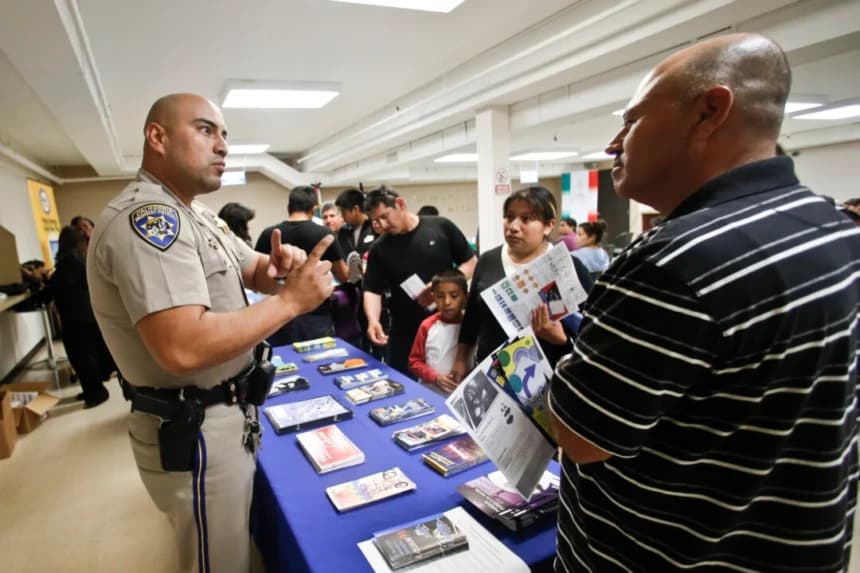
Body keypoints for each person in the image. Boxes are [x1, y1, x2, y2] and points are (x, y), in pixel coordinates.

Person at [547, 34, 859, 572]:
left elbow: (579, 437)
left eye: (633, 120)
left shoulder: (673, 260)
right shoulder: (832, 226)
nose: (614, 143)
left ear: (709, 112)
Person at [87, 93, 334, 573]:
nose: (222, 146)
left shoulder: (195, 213)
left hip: (226, 413)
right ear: (156, 137)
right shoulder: (150, 222)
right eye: (205, 130)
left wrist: (280, 270)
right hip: (195, 423)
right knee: (216, 562)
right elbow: (183, 347)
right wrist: (290, 302)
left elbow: (254, 268)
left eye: (225, 135)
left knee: (234, 546)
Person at [450, 187, 594, 389]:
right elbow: (472, 317)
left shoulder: (570, 268)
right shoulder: (488, 260)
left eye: (526, 219)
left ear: (548, 226)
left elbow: (591, 334)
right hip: (490, 373)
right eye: (509, 217)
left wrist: (561, 340)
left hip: (545, 381)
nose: (513, 227)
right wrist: (460, 359)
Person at [363, 186, 476, 374]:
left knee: (447, 380)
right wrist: (373, 320)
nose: (382, 225)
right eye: (376, 221)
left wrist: (442, 286)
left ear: (400, 204)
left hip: (448, 326)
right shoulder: (379, 249)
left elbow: (471, 262)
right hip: (405, 331)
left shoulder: (440, 227)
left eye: (385, 216)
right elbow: (372, 290)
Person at [255, 186, 350, 346]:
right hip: (316, 314)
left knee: (282, 363)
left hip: (278, 313)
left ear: (288, 208)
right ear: (314, 210)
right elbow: (343, 276)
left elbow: (259, 279)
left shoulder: (269, 234)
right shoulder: (324, 235)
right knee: (317, 363)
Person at [50, 226, 114, 407]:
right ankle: (92, 390)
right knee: (88, 354)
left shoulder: (68, 262)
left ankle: (95, 392)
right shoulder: (79, 259)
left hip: (76, 318)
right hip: (85, 315)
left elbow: (59, 287)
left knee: (81, 357)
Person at [407, 269, 469, 394]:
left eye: (454, 296)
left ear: (465, 297)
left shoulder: (472, 326)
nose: (447, 302)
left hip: (463, 395)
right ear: (433, 297)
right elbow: (414, 362)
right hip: (430, 392)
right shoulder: (427, 326)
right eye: (440, 296)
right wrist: (435, 378)